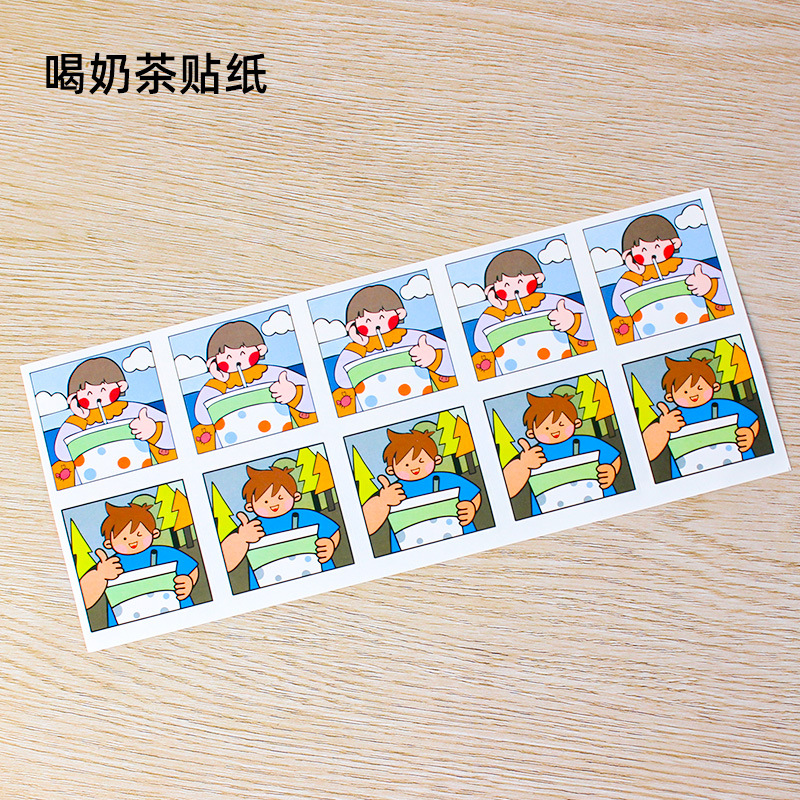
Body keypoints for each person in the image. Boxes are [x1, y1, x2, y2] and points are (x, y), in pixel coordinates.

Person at [52, 356, 175, 489]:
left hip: (143, 479)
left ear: (121, 386)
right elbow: (63, 454)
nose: (96, 396)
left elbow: (174, 434)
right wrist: (78, 419)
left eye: (103, 390)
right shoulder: (76, 422)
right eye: (88, 393)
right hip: (96, 487)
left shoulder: (134, 410)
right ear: (74, 398)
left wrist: (153, 430)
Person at [192, 320, 315, 450]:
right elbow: (203, 417)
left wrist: (293, 394)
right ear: (213, 362)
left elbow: (313, 397)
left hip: (283, 441)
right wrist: (218, 383)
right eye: (227, 357)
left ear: (261, 350)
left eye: (242, 353)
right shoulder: (216, 385)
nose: (236, 360)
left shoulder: (273, 373)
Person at [609, 214, 732, 343]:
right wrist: (634, 274)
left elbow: (728, 290)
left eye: (657, 247)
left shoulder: (689, 266)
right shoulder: (632, 278)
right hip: (653, 341)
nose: (651, 253)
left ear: (675, 243)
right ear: (629, 255)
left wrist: (709, 286)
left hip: (699, 333)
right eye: (643, 250)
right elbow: (621, 309)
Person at [472, 249, 594, 377]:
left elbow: (592, 325)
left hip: (563, 369)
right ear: (491, 290)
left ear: (538, 278)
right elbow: (483, 345)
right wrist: (496, 310)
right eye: (506, 285)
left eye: (520, 282)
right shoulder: (494, 313)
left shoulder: (551, 301)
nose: (514, 288)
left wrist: (572, 322)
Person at [79, 502, 198, 626]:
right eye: (124, 538)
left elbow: (191, 569)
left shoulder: (165, 553)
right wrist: (101, 575)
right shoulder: (110, 565)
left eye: (139, 534)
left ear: (154, 533)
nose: (132, 541)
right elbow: (84, 601)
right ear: (108, 544)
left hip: (179, 617)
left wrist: (188, 582)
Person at [362, 429, 481, 551]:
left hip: (462, 543)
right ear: (391, 470)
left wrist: (471, 508)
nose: (414, 467)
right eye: (406, 465)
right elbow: (366, 527)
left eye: (421, 461)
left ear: (436, 460)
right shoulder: (392, 491)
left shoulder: (448, 479)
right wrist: (383, 501)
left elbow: (474, 495)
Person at [221, 466, 339, 589]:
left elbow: (333, 532)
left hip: (320, 580)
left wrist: (330, 545)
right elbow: (225, 564)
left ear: (295, 496)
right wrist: (241, 538)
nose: (274, 504)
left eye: (280, 498)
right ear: (250, 507)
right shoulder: (251, 528)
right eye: (265, 501)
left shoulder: (306, 516)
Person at [502, 392, 620, 515]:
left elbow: (614, 459)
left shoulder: (587, 443)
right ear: (531, 433)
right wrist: (523, 465)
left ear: (576, 423)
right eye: (546, 428)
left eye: (561, 424)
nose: (555, 430)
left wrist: (611, 471)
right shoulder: (533, 454)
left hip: (602, 506)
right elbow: (507, 490)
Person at [642, 356, 758, 477]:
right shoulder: (672, 418)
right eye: (685, 392)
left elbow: (752, 422)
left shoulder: (726, 406)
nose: (693, 394)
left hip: (740, 468)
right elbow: (647, 453)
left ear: (715, 387)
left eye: (700, 388)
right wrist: (663, 428)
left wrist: (749, 434)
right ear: (670, 397)